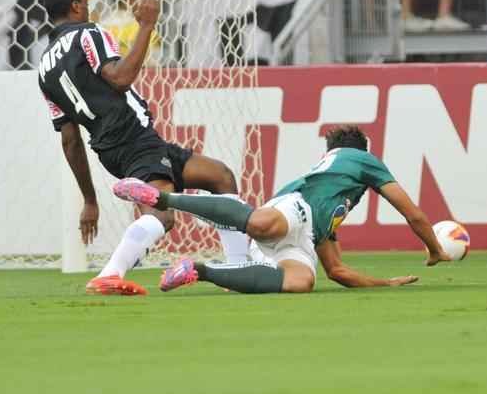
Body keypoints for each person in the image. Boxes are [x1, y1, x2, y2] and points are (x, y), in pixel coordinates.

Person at [35, 0, 250, 296]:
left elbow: (70, 139)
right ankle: (110, 273)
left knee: (220, 177)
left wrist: (90, 200)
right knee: (162, 216)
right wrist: (147, 26)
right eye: (86, 3)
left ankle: (239, 268)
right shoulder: (88, 34)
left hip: (117, 147)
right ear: (77, 6)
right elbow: (120, 78)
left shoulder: (43, 70)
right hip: (132, 137)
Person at [112, 125, 451, 294]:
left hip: (303, 237)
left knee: (302, 281)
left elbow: (337, 271)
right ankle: (164, 199)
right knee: (262, 225)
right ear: (362, 153)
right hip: (291, 209)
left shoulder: (331, 210)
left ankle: (198, 270)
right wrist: (435, 250)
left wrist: (385, 284)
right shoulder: (361, 161)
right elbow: (415, 214)